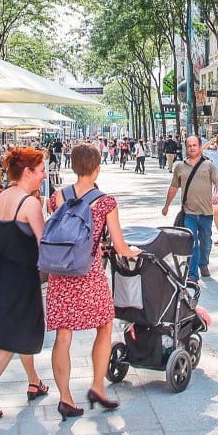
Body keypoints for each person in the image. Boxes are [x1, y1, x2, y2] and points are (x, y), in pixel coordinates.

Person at [47, 144, 142, 420]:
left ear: (74, 166)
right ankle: (98, 386)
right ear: (97, 168)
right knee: (104, 325)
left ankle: (65, 398)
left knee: (63, 335)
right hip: (88, 272)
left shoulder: (56, 197)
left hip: (60, 274)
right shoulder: (105, 202)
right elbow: (120, 245)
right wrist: (133, 252)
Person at [0, 147, 50, 419]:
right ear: (27, 172)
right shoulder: (29, 204)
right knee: (13, 335)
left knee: (18, 331)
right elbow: (45, 245)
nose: (44, 175)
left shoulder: (3, 196)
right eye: (40, 170)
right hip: (22, 278)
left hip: (1, 274)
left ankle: (34, 381)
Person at [162, 136, 218, 280]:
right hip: (189, 213)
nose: (192, 148)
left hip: (206, 212)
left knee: (206, 242)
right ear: (186, 148)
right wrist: (166, 205)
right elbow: (174, 187)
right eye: (190, 146)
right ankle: (193, 275)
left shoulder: (209, 165)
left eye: (195, 145)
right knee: (192, 242)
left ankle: (204, 263)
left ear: (200, 147)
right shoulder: (180, 167)